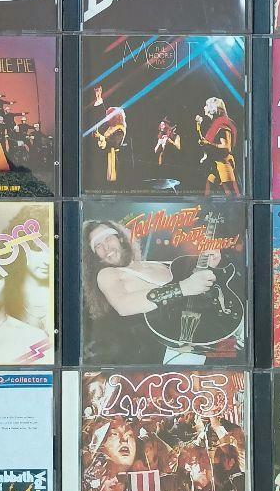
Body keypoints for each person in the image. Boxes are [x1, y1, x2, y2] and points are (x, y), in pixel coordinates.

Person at [82, 219, 218, 364]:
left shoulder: (156, 264)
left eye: (108, 238)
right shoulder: (107, 274)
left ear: (120, 238)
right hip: (169, 353)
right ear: (94, 255)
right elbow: (123, 305)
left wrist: (210, 265)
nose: (106, 247)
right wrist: (183, 287)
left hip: (206, 337)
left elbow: (195, 288)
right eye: (98, 245)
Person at [195, 97, 240, 196]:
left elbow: (226, 148)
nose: (204, 108)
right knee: (209, 186)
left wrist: (208, 144)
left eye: (207, 105)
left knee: (232, 194)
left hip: (223, 163)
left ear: (214, 108)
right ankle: (206, 204)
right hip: (217, 163)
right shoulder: (217, 123)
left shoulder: (222, 125)